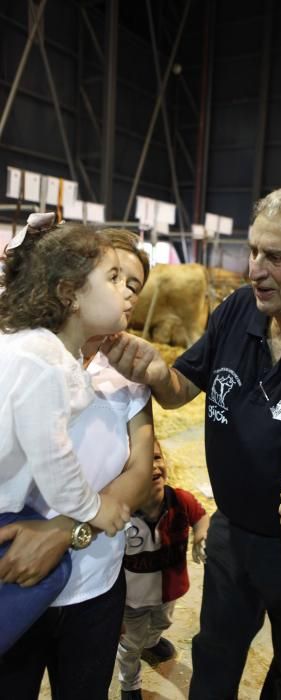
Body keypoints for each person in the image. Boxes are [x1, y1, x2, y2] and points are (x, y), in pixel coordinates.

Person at [102, 185, 281, 699]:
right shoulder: (238, 310)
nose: (254, 270)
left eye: (277, 257)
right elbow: (180, 393)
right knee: (215, 656)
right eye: (253, 251)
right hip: (231, 533)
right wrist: (157, 371)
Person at [0, 226, 154, 700]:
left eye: (135, 285)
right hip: (15, 572)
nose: (127, 294)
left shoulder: (129, 376)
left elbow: (143, 476)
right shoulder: (36, 355)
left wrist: (68, 530)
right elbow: (52, 455)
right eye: (115, 277)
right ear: (70, 291)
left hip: (92, 583)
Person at [117, 438, 209, 700]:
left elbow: (201, 516)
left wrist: (202, 535)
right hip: (132, 601)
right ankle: (130, 684)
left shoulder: (181, 500)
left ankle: (152, 642)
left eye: (157, 457)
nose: (154, 467)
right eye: (142, 463)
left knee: (162, 622)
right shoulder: (120, 513)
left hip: (169, 592)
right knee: (130, 645)